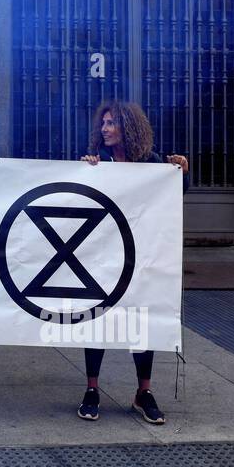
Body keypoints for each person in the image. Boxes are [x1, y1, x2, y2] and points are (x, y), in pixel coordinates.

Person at [76, 99, 189, 426]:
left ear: (129, 128)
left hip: (140, 255)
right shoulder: (98, 161)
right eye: (104, 123)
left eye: (112, 123)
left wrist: (181, 172)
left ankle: (144, 392)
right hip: (102, 254)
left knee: (141, 317)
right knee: (98, 317)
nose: (105, 129)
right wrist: (87, 168)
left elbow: (175, 193)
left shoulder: (151, 163)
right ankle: (92, 389)